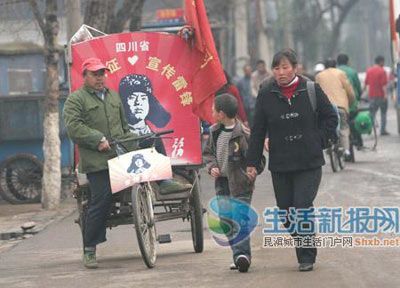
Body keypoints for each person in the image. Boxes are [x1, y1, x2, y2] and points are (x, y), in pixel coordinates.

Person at [63, 58, 190, 269]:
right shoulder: (76, 100)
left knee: (151, 138)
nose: (99, 77)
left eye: (102, 73)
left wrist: (138, 137)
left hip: (121, 151)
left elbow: (123, 127)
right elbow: (74, 127)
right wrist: (97, 139)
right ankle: (89, 249)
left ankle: (164, 181)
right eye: (94, 74)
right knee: (101, 201)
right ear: (85, 76)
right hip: (98, 161)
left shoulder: (113, 96)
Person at [246, 49, 338, 272]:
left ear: (295, 68)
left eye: (285, 67)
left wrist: (319, 141)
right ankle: (305, 240)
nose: (281, 72)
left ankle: (306, 256)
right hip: (281, 162)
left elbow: (331, 117)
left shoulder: (310, 89)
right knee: (286, 213)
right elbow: (258, 130)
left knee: (302, 207)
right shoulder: (266, 93)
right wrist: (252, 162)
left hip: (309, 161)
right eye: (276, 68)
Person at [203, 93, 254, 273]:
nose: (212, 112)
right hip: (222, 182)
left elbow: (257, 159)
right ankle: (238, 254)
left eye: (213, 110)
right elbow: (208, 153)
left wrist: (252, 171)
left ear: (222, 113)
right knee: (226, 221)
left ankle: (242, 256)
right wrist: (211, 167)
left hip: (240, 184)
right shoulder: (214, 132)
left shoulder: (244, 135)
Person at [316, 58, 355, 159]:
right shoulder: (340, 73)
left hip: (325, 107)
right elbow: (349, 91)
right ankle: (346, 150)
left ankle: (328, 145)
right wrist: (349, 104)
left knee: (326, 125)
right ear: (335, 65)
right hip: (341, 105)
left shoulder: (319, 76)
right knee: (344, 127)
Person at [337, 53, 364, 149]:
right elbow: (357, 86)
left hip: (338, 104)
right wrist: (359, 97)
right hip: (351, 104)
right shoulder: (352, 71)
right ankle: (359, 142)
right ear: (348, 61)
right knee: (354, 121)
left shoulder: (335, 72)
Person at [365, 56, 389, 135]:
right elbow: (384, 85)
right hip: (381, 96)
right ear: (381, 62)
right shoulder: (382, 71)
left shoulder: (369, 71)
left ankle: (369, 129)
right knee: (383, 113)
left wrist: (366, 95)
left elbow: (366, 84)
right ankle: (382, 130)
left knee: (372, 113)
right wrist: (385, 95)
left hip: (372, 96)